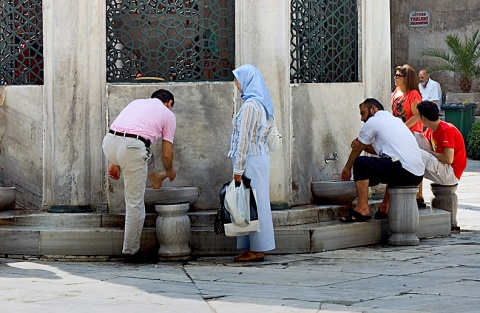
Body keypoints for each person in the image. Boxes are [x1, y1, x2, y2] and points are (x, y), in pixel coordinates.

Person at [102, 89, 177, 263]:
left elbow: (123, 129)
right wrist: (170, 170)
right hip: (132, 149)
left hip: (110, 144)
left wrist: (115, 161)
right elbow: (167, 153)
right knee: (135, 204)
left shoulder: (136, 103)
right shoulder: (168, 114)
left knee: (146, 152)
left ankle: (154, 178)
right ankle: (130, 252)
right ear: (169, 103)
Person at [340, 98, 425, 222]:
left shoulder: (374, 121)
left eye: (363, 113)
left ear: (373, 109)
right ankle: (385, 207)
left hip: (404, 171)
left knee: (361, 163)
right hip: (417, 175)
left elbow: (357, 149)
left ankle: (362, 208)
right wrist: (361, 143)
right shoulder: (396, 121)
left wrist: (347, 168)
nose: (361, 118)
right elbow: (381, 150)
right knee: (391, 163)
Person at [228, 64, 276, 261]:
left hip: (251, 159)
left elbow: (243, 140)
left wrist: (238, 168)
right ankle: (254, 246)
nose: (237, 84)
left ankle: (257, 249)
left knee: (253, 203)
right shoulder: (262, 104)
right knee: (253, 202)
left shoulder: (250, 106)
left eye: (238, 80)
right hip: (259, 157)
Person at [416, 100, 467, 231]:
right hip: (442, 167)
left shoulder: (446, 129)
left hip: (451, 172)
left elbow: (448, 159)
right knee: (415, 137)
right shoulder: (430, 131)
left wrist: (428, 153)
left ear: (423, 118)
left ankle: (412, 188)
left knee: (420, 154)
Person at [391, 64, 426, 206]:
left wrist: (403, 127)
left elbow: (417, 115)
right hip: (399, 134)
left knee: (415, 162)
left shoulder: (413, 95)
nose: (395, 78)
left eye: (398, 76)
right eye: (395, 75)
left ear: (406, 78)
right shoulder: (396, 92)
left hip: (412, 134)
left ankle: (419, 195)